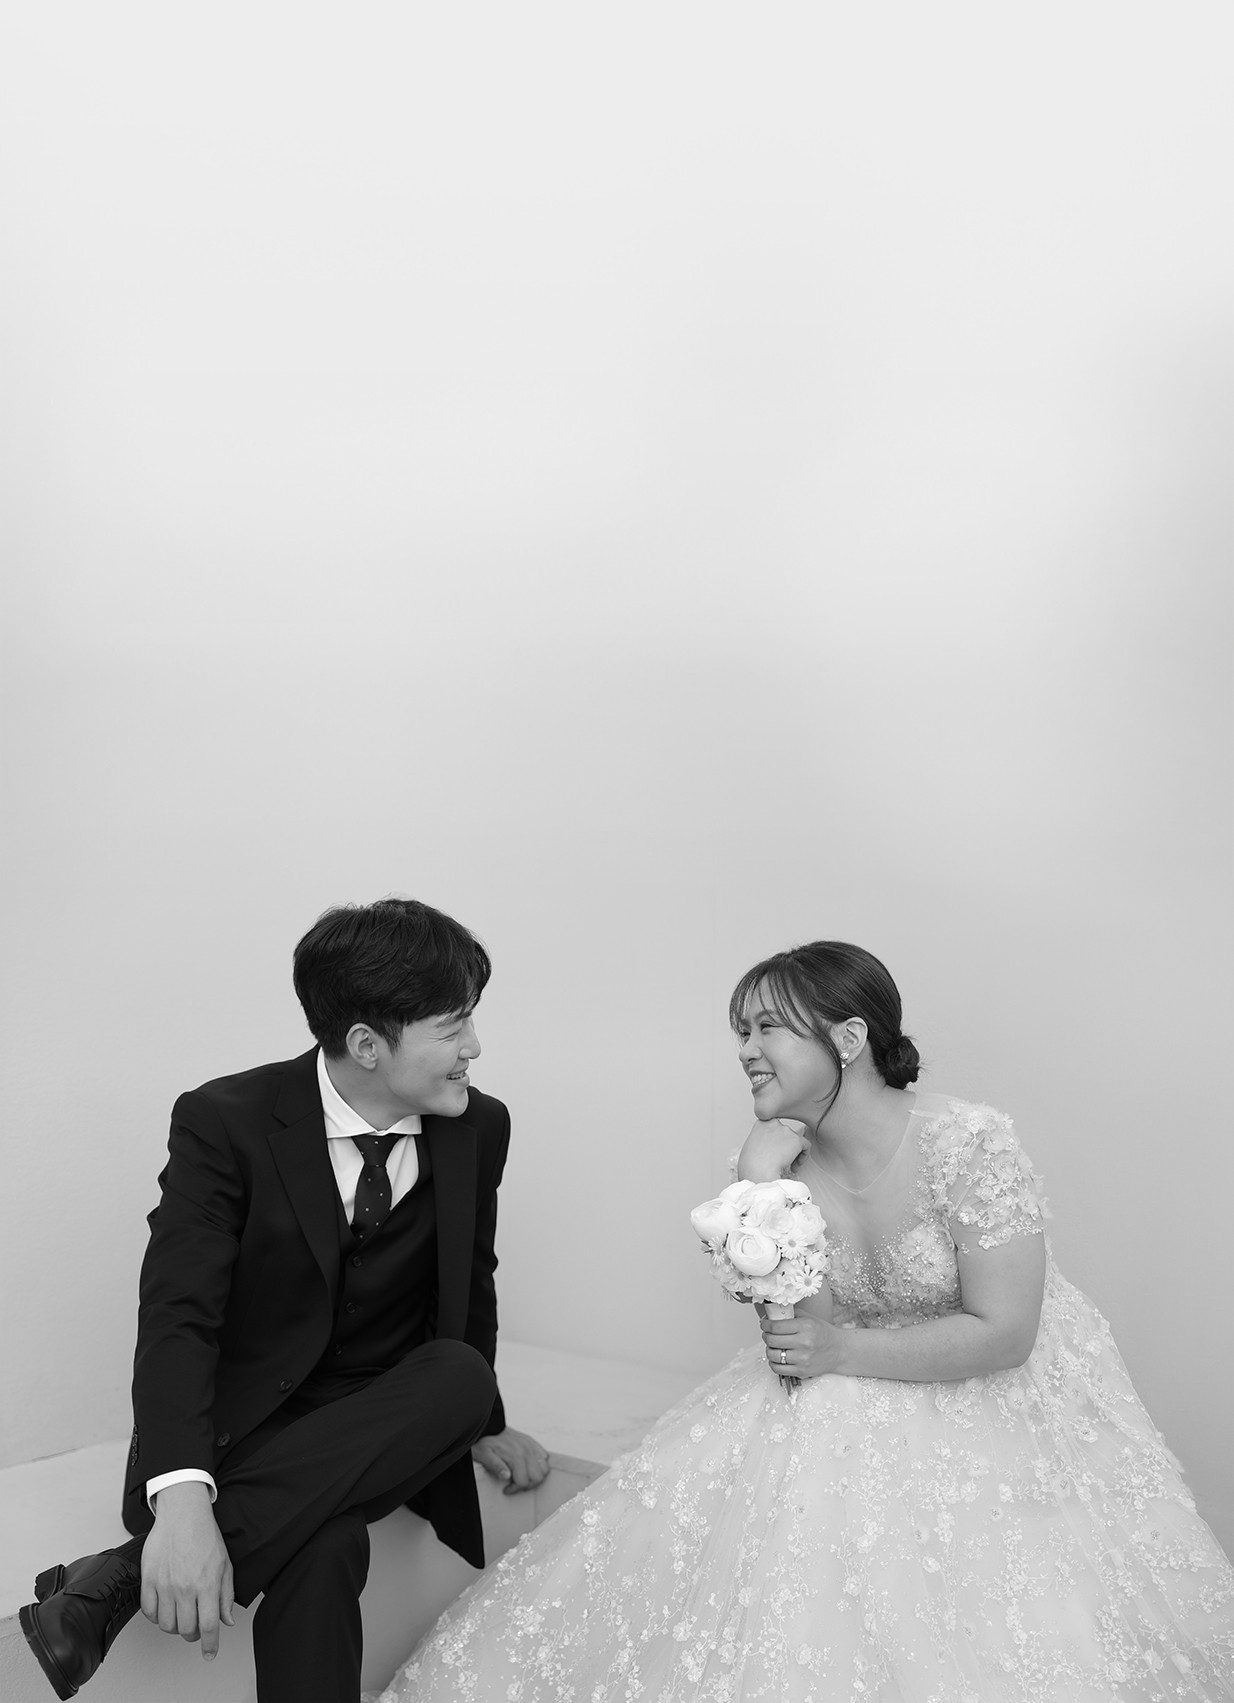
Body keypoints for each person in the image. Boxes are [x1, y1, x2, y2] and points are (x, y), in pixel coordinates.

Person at [376, 941, 1234, 1702]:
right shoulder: (777, 1164)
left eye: (766, 1030)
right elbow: (796, 1340)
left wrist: (842, 1349)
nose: (745, 1052)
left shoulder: (970, 1142)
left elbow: (1006, 1332)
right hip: (839, 1370)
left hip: (992, 1388)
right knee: (806, 1430)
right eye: (740, 1032)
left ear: (849, 1040)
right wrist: (764, 1185)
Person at [19, 897, 550, 1703]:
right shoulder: (222, 1121)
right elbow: (178, 1315)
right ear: (368, 1044)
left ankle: (113, 1584)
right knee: (325, 1540)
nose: (474, 1047)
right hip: (240, 1431)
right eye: (454, 1025)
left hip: (372, 1416)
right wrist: (186, 1501)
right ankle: (123, 1576)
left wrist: (488, 1424)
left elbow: (471, 1278)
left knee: (461, 1377)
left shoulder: (479, 1126)